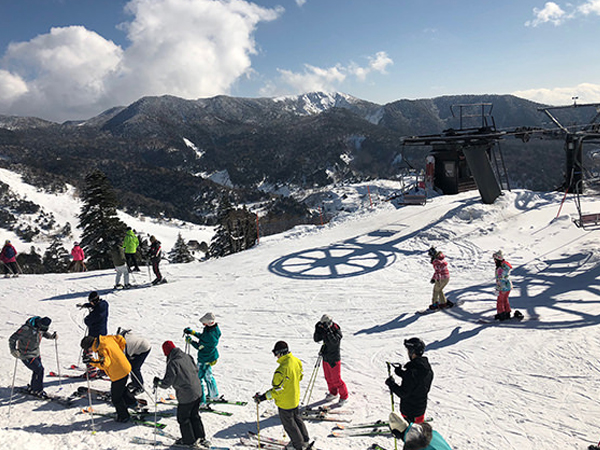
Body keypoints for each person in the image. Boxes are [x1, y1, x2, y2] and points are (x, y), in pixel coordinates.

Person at [254, 341, 311, 450]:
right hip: (294, 398)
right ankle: (305, 439)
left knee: (289, 425)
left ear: (280, 353)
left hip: (285, 403)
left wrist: (262, 397)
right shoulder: (296, 361)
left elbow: (277, 391)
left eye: (276, 354)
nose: (276, 357)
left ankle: (298, 446)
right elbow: (300, 377)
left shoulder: (281, 370)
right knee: (297, 419)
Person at [154, 341, 211, 449]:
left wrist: (158, 382)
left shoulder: (173, 363)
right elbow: (196, 370)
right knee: (194, 415)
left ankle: (189, 441)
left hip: (187, 395)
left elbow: (166, 383)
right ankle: (200, 437)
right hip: (197, 391)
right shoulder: (187, 356)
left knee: (183, 418)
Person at [81, 335, 138, 422]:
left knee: (116, 397)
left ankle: (124, 416)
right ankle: (132, 402)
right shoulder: (106, 339)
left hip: (118, 373)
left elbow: (105, 364)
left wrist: (92, 361)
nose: (90, 351)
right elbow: (121, 339)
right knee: (121, 388)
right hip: (125, 367)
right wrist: (118, 352)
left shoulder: (101, 349)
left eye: (88, 350)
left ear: (90, 346)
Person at [385, 338, 433, 424]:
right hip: (420, 408)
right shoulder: (426, 368)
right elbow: (417, 381)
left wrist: (392, 385)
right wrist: (402, 373)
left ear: (412, 352)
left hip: (410, 411)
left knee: (411, 433)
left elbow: (403, 393)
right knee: (417, 426)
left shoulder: (411, 372)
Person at [9, 316, 56, 397]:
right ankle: (37, 390)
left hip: (36, 352)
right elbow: (12, 339)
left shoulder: (40, 327)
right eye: (42, 328)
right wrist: (13, 350)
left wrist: (51, 336)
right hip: (25, 354)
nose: (42, 330)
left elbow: (43, 333)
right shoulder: (26, 329)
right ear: (39, 324)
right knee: (39, 369)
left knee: (37, 370)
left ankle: (34, 388)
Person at [184, 312, 221, 404]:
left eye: (204, 323)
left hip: (204, 359)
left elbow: (200, 346)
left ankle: (201, 401)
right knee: (208, 376)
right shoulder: (213, 329)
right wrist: (193, 332)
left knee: (198, 379)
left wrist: (190, 341)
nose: (203, 325)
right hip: (211, 357)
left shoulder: (210, 337)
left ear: (209, 322)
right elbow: (203, 337)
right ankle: (214, 395)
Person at [313, 314, 348, 405]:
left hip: (334, 358)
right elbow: (317, 339)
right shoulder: (324, 329)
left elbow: (335, 342)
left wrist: (328, 331)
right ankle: (333, 393)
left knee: (337, 379)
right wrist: (317, 330)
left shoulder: (336, 329)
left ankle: (344, 396)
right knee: (328, 377)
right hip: (326, 356)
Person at [117, 327, 151, 396]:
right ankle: (135, 383)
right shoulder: (122, 336)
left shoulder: (123, 347)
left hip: (144, 348)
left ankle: (140, 387)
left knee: (134, 368)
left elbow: (124, 363)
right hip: (139, 345)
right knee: (131, 366)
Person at [493, 250, 513, 321]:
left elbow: (500, 279)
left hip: (503, 286)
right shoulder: (505, 266)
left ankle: (501, 314)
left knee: (500, 301)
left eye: (495, 260)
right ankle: (507, 312)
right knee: (505, 299)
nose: (494, 261)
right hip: (508, 286)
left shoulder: (500, 269)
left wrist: (498, 288)